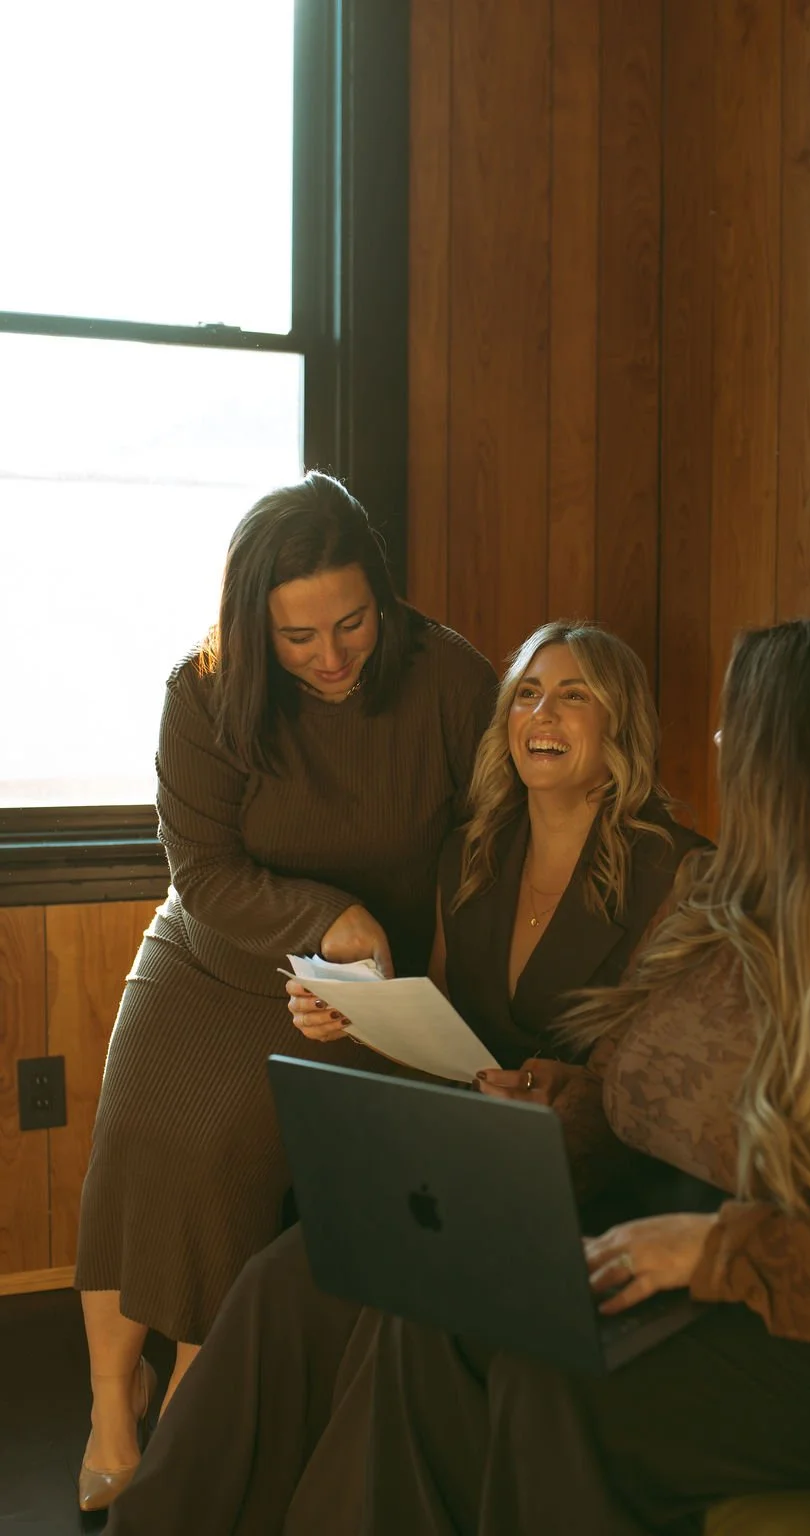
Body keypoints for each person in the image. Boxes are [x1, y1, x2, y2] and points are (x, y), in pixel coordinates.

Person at [358, 616, 810, 1536]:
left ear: (801, 756)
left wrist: (718, 1252)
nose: (716, 743)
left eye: (737, 727)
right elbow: (683, 1087)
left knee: (555, 1384)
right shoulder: (747, 909)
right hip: (750, 1253)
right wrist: (580, 1101)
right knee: (437, 1318)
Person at [106, 619, 710, 1535]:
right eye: (528, 694)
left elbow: (675, 1067)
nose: (543, 714)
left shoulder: (679, 870)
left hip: (585, 1180)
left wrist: (571, 1091)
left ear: (619, 728)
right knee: (282, 1279)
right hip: (459, 1153)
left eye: (575, 695)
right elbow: (433, 1012)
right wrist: (354, 1012)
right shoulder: (474, 849)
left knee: (404, 1309)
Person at [73, 471, 497, 1512]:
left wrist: (382, 967)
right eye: (299, 639)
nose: (333, 657)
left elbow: (486, 849)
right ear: (255, 629)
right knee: (147, 1132)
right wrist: (322, 921)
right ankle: (108, 1408)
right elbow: (203, 873)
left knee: (231, 1158)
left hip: (368, 978)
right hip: (215, 954)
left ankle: (193, 1410)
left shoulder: (450, 680)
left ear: (383, 598)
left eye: (351, 623)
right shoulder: (204, 690)